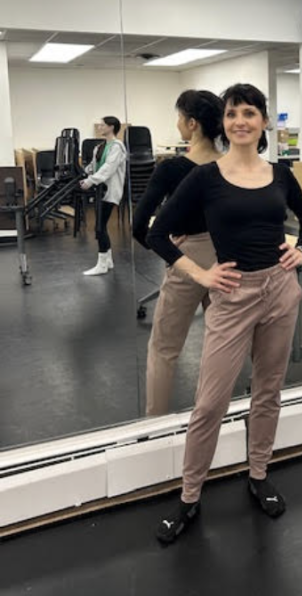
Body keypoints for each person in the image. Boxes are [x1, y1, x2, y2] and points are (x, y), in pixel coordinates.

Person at [147, 83, 302, 544]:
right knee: (210, 404)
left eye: (248, 112)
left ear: (263, 121)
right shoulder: (205, 178)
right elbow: (158, 233)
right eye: (231, 114)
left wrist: (300, 250)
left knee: (269, 391)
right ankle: (188, 497)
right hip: (233, 295)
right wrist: (201, 276)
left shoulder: (280, 173)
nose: (239, 121)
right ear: (222, 124)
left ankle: (258, 474)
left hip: (280, 292)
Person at [132, 90, 224, 416]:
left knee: (164, 350)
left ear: (192, 123)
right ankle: (210, 419)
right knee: (221, 346)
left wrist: (172, 254)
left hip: (187, 256)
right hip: (227, 261)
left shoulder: (171, 169)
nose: (178, 124)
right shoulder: (232, 166)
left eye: (179, 117)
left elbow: (139, 226)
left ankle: (154, 426)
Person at [80, 116, 127, 276]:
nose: (99, 127)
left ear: (111, 127)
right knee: (101, 226)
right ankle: (108, 260)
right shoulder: (99, 147)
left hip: (109, 191)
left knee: (99, 227)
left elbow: (108, 168)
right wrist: (84, 173)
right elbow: (94, 166)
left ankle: (102, 265)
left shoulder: (117, 147)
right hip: (100, 189)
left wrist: (91, 181)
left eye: (102, 125)